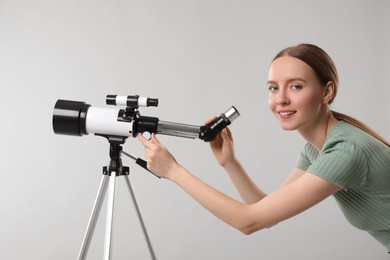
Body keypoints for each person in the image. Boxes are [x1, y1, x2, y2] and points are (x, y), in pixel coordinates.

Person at [138, 43, 390, 251]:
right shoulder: (318, 148)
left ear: (327, 92)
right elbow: (265, 210)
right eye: (273, 88)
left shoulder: (345, 151)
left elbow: (249, 222)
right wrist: (230, 163)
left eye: (296, 86)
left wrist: (173, 171)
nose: (280, 99)